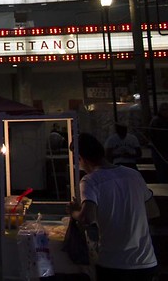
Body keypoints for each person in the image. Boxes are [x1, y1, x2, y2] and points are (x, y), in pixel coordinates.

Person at [70, 132, 158, 280]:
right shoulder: (133, 175)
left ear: (81, 159)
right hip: (146, 262)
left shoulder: (90, 181)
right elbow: (153, 211)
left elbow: (87, 218)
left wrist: (74, 212)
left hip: (114, 264)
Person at [149, 103, 168, 183]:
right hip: (159, 151)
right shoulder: (156, 121)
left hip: (165, 150)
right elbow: (157, 138)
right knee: (162, 172)